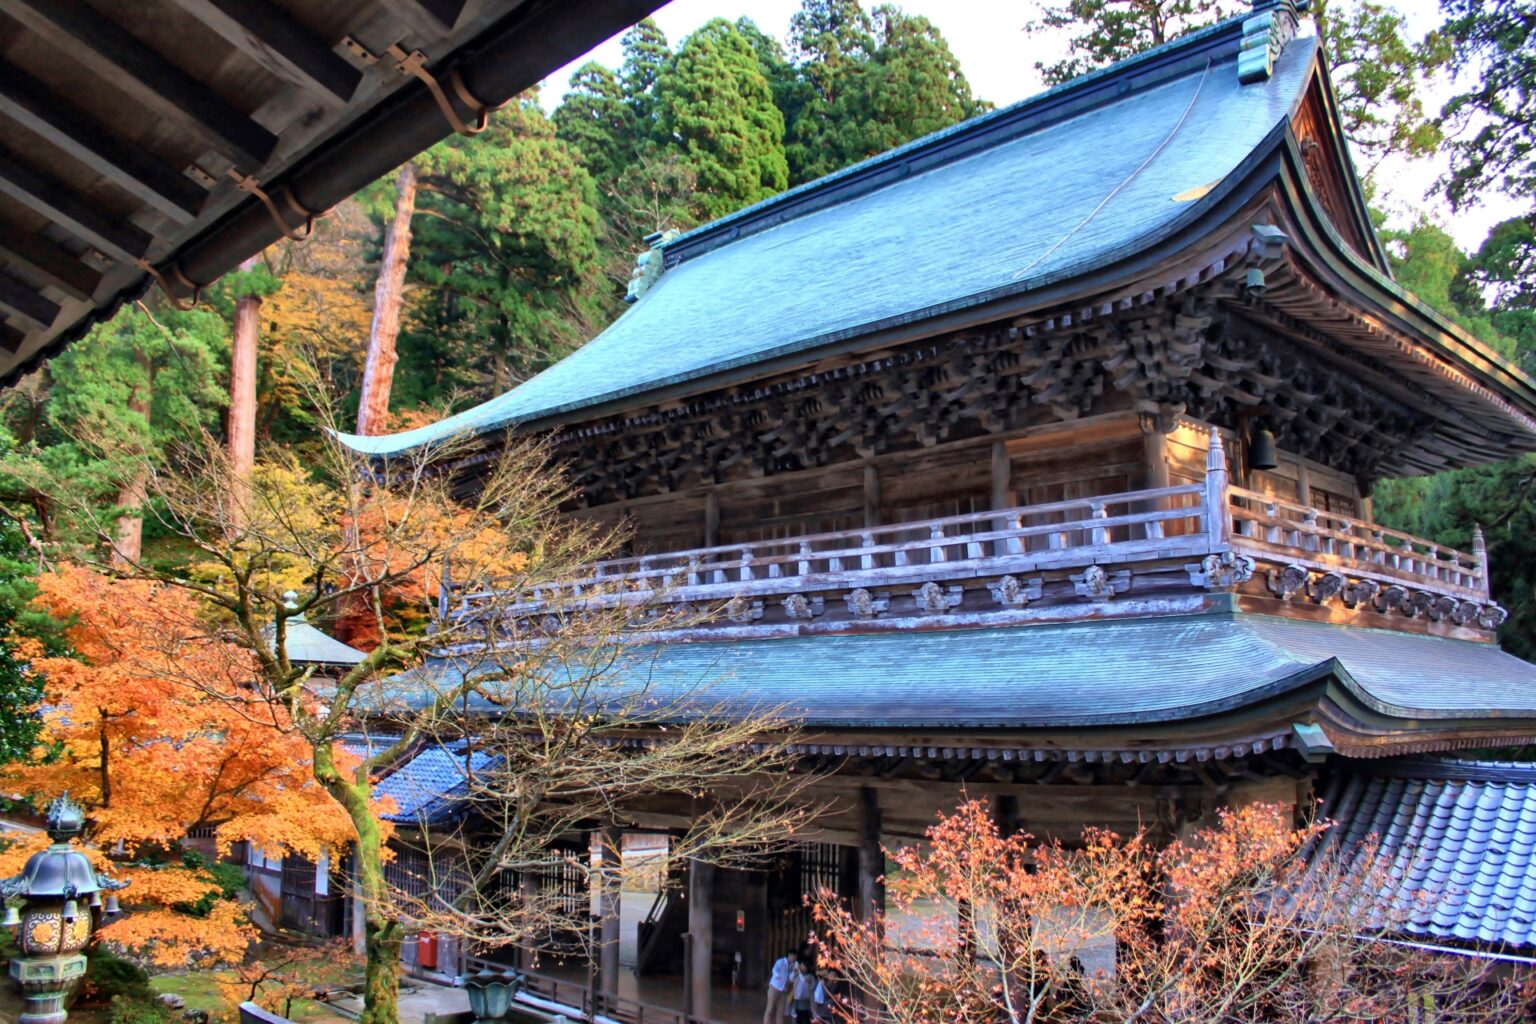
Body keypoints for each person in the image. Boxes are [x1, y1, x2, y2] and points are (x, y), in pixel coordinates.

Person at [764, 950, 797, 1024]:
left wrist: (794, 971)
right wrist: (777, 976)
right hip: (774, 987)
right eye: (793, 956)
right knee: (770, 1008)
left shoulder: (793, 966)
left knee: (781, 1010)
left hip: (784, 989)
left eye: (795, 957)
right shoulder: (780, 962)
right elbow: (774, 970)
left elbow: (792, 978)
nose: (794, 958)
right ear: (789, 955)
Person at [790, 959, 814, 1024]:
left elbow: (804, 981)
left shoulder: (810, 976)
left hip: (805, 999)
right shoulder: (798, 974)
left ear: (807, 966)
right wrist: (794, 972)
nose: (800, 966)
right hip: (797, 998)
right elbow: (791, 979)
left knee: (805, 1018)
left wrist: (799, 972)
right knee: (798, 1018)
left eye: (802, 965)